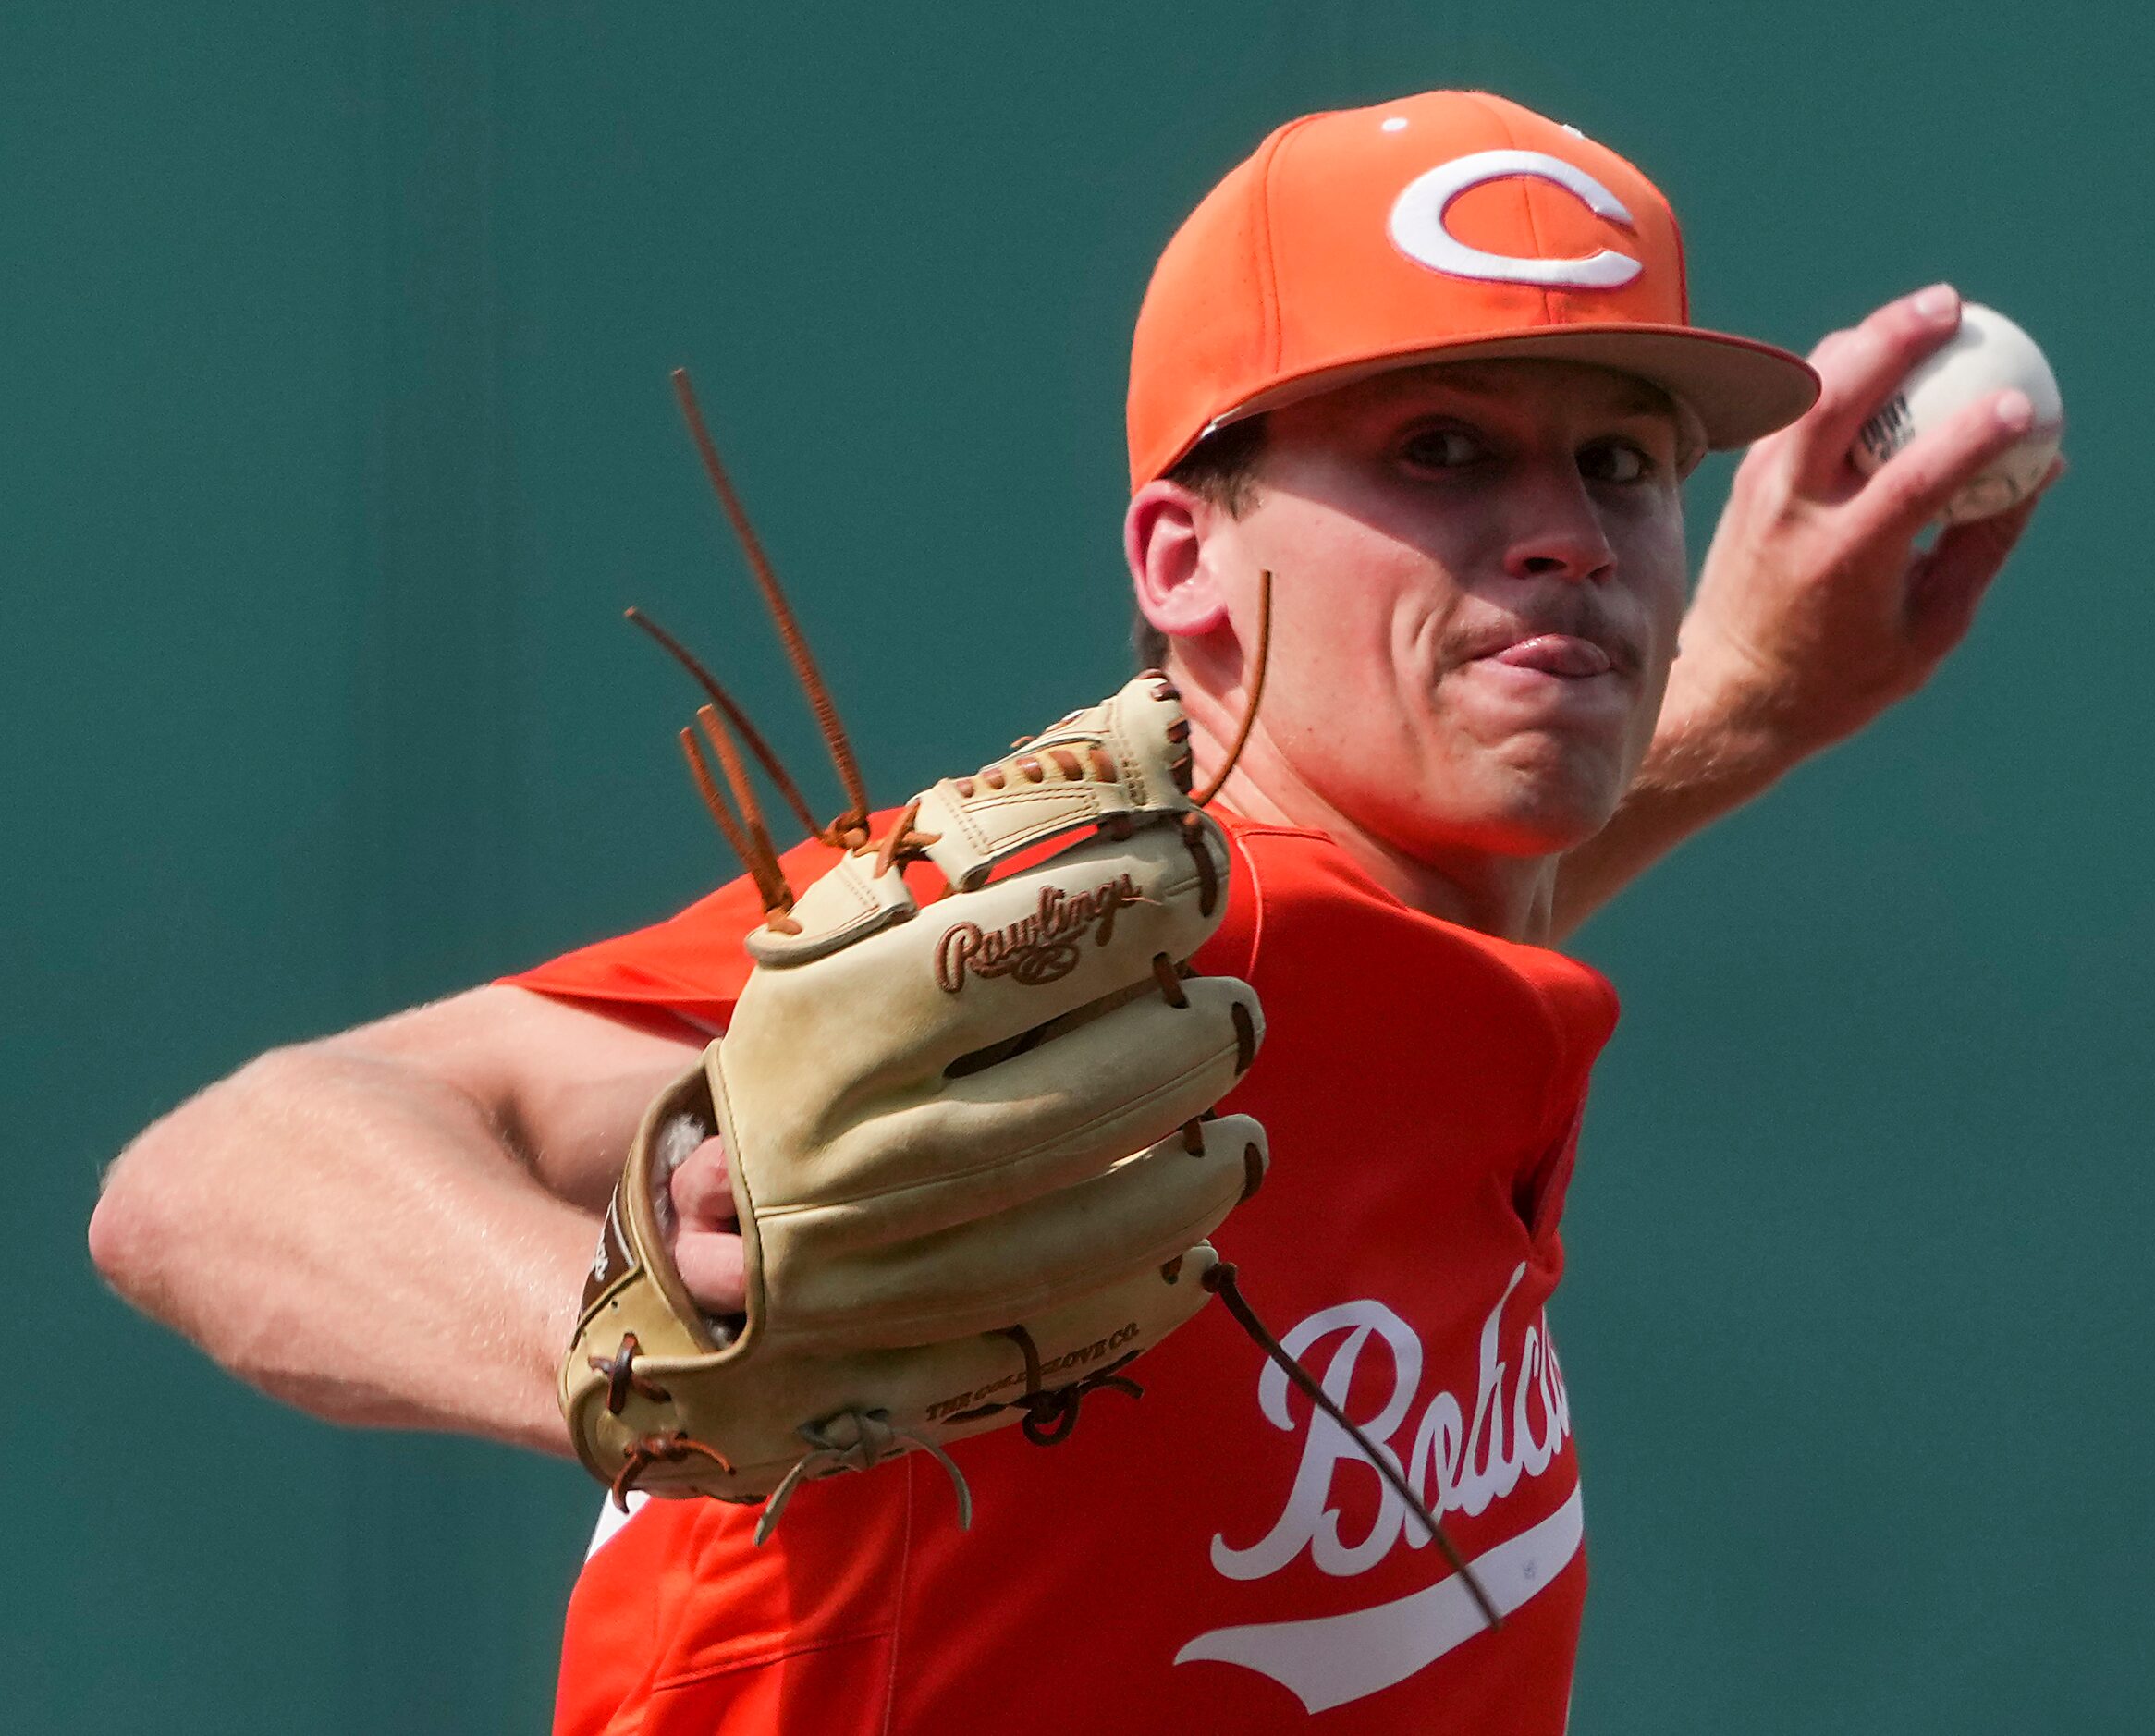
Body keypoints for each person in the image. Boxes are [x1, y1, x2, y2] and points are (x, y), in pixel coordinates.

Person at [87, 91, 2054, 1732]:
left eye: (1620, 461)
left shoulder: (1390, 952)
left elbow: (1373, 967)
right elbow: (214, 1169)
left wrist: (1748, 699)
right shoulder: (1068, 917)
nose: (1564, 528)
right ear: (1184, 555)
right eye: (1441, 450)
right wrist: (654, 1354)